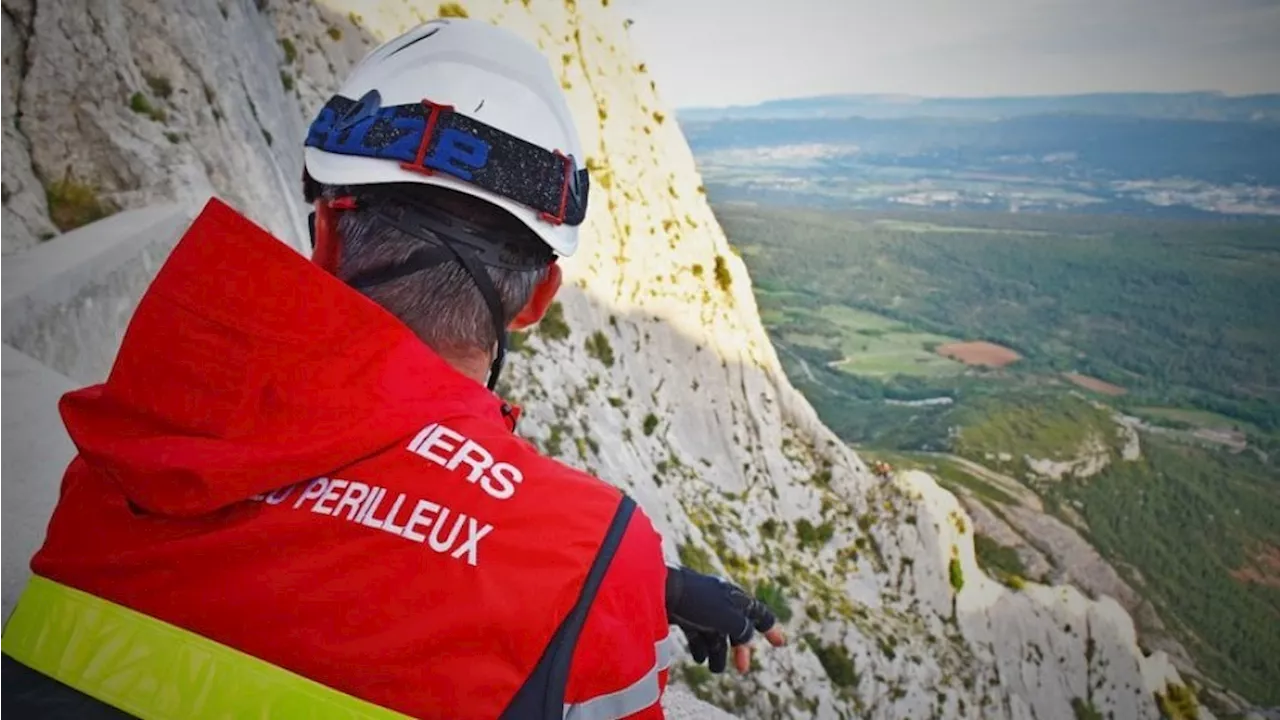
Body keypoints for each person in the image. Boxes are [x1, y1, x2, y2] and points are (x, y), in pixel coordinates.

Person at [0, 17, 783, 720]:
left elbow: (311, 528)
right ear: (538, 298)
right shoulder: (588, 553)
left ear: (323, 237)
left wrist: (633, 586)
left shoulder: (131, 432)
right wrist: (612, 590)